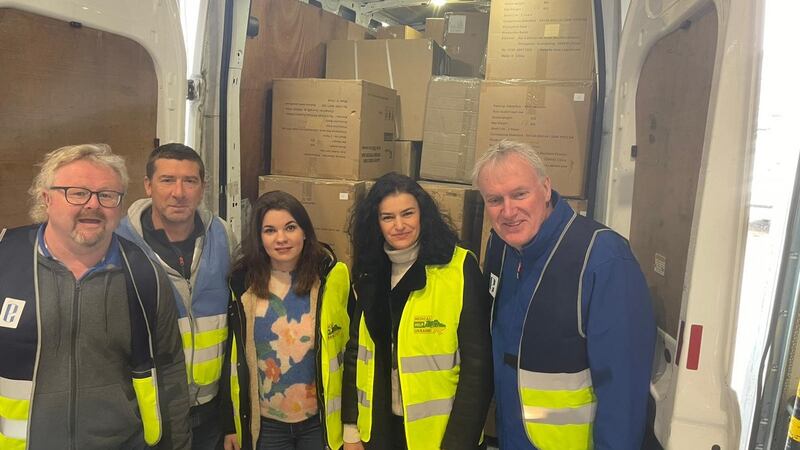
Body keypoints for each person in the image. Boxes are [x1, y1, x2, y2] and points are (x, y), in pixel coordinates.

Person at [0, 143, 190, 449]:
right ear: (46, 198)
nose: (93, 205)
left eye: (107, 195)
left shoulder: (145, 276)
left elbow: (170, 375)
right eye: (77, 192)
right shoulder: (5, 261)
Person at [473, 140, 656, 450]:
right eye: (494, 200)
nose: (508, 211)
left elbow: (623, 390)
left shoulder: (602, 258)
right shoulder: (501, 249)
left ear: (545, 189)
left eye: (520, 194)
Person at [341, 172, 493, 450]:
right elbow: (356, 352)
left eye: (407, 213)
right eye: (387, 217)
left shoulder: (458, 268)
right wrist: (350, 429)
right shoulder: (370, 271)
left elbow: (478, 368)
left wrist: (459, 443)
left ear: (423, 214)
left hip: (440, 437)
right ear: (376, 223)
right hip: (379, 431)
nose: (399, 225)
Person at [116, 143, 236, 449]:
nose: (179, 192)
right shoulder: (119, 245)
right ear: (148, 186)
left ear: (202, 188)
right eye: (167, 180)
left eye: (190, 181)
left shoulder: (222, 237)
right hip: (149, 409)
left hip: (212, 410)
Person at [220, 190, 351, 450]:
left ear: (305, 232)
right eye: (270, 230)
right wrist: (229, 425)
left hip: (319, 422)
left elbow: (349, 353)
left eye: (290, 227)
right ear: (259, 238)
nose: (281, 238)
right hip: (267, 425)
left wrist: (351, 426)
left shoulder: (331, 278)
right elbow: (231, 358)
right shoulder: (242, 284)